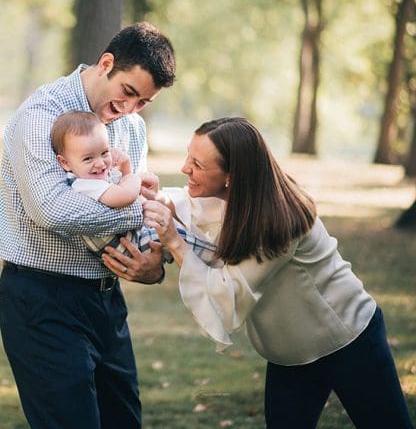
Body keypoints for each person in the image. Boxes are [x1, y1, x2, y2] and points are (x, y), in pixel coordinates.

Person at [109, 116, 414, 429]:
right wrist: (154, 198)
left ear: (231, 176)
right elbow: (185, 204)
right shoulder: (232, 196)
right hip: (287, 352)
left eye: (198, 164)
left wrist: (174, 241)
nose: (186, 168)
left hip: (348, 339)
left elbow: (228, 293)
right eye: (188, 155)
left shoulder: (280, 223)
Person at [0, 22, 175, 428]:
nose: (129, 108)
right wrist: (135, 209)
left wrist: (155, 261)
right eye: (128, 92)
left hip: (106, 302)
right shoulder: (41, 116)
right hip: (43, 300)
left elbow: (141, 219)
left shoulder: (132, 128)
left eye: (143, 101)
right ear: (106, 63)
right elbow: (53, 211)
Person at [50, 110, 216, 278]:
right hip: (129, 249)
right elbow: (125, 197)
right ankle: (219, 258)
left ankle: (209, 261)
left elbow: (122, 188)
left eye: (104, 153)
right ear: (65, 163)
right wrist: (134, 178)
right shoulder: (84, 185)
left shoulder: (91, 176)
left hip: (128, 240)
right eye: (88, 159)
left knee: (171, 229)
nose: (100, 163)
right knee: (177, 233)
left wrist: (125, 167)